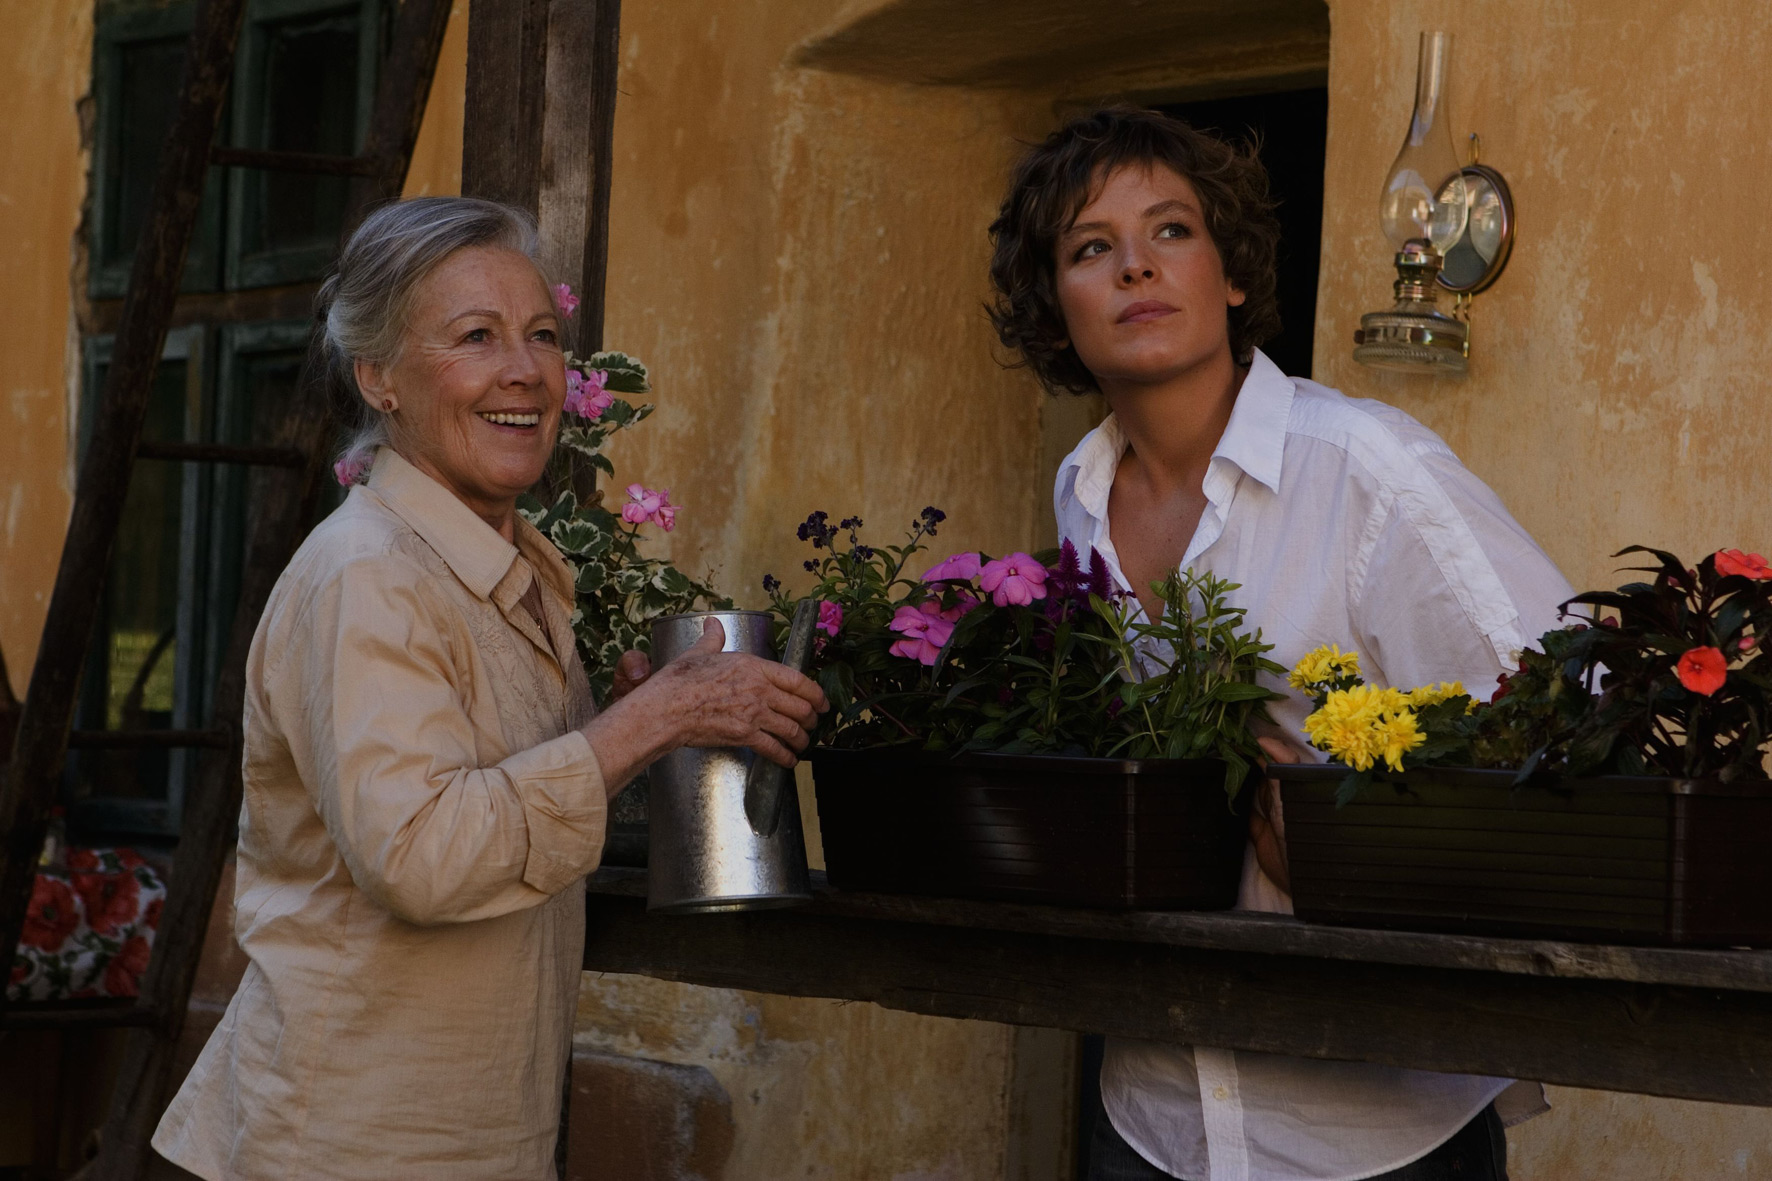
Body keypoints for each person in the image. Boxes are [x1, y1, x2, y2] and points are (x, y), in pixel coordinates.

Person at [151, 197, 828, 1180]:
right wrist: (645, 722)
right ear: (378, 376)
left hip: (469, 1133)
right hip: (357, 1141)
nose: (524, 370)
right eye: (476, 336)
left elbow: (507, 807)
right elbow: (421, 857)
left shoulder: (505, 569)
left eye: (542, 335)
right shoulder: (371, 576)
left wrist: (634, 731)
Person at [989, 108, 1572, 1181]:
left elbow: (1563, 722)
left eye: (1171, 230)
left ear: (1231, 276)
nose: (1134, 266)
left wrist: (1363, 855)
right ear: (1053, 308)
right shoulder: (1080, 495)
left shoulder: (1367, 471)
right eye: (1089, 247)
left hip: (1369, 1129)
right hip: (1150, 1111)